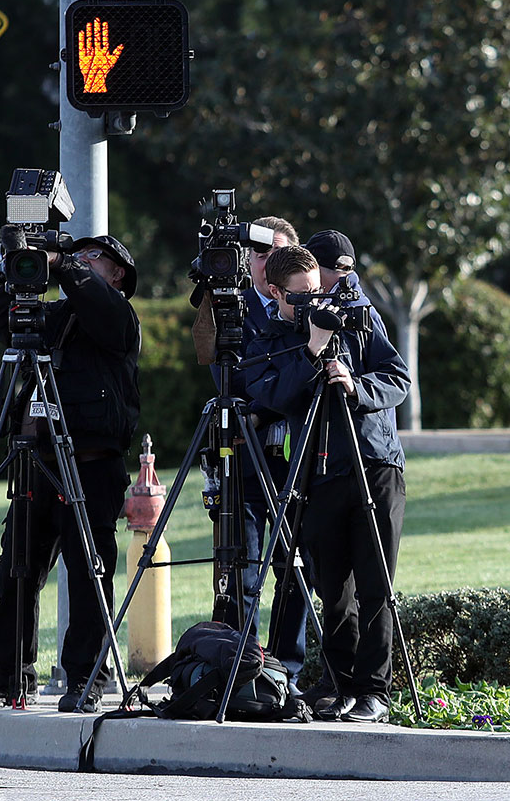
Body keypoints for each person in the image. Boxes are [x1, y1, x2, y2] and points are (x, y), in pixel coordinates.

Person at [0, 234, 141, 714]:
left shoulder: (119, 316)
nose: (79, 262)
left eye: (91, 257)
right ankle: (11, 678)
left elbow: (97, 305)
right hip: (35, 461)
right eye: (75, 256)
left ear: (118, 272)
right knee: (16, 570)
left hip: (90, 464)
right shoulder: (55, 318)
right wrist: (10, 268)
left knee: (88, 573)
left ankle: (87, 677)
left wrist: (61, 261)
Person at [245, 245, 409, 723]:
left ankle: (374, 689)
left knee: (376, 584)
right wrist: (313, 350)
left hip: (374, 464)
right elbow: (271, 394)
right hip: (317, 473)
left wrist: (356, 385)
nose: (316, 304)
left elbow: (398, 377)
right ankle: (339, 684)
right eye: (302, 297)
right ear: (275, 292)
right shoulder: (271, 338)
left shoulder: (356, 316)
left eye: (318, 291)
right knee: (332, 589)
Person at [207, 215, 314, 693]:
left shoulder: (304, 310)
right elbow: (228, 380)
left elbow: (303, 377)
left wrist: (268, 400)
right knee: (240, 567)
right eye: (258, 253)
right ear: (246, 261)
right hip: (242, 458)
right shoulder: (226, 309)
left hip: (294, 457)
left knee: (294, 565)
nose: (265, 261)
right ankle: (239, 665)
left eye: (275, 253)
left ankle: (287, 669)